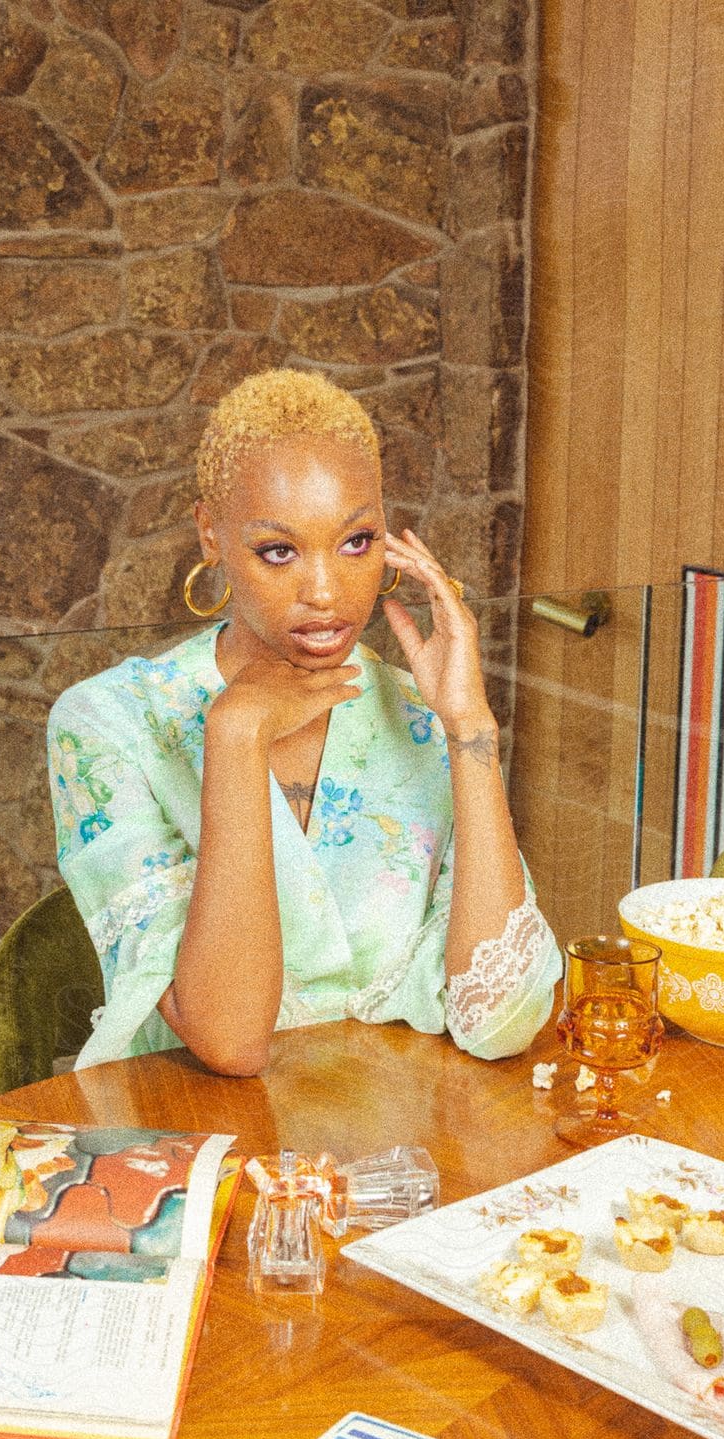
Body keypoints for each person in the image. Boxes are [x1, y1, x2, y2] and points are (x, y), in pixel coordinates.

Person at [48, 369, 561, 1075]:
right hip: (208, 1149)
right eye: (279, 551)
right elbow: (230, 1041)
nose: (325, 592)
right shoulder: (108, 724)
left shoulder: (421, 717)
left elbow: (502, 1022)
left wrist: (471, 732)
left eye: (356, 541)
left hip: (407, 1147)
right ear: (210, 535)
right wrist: (234, 735)